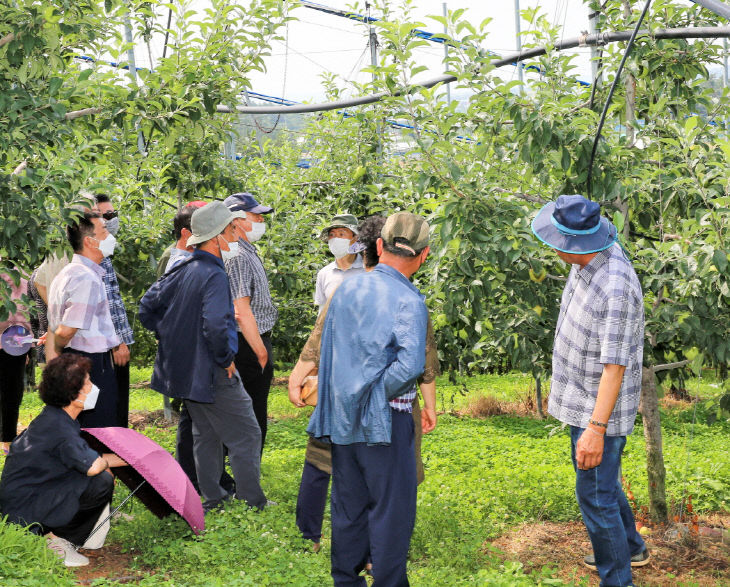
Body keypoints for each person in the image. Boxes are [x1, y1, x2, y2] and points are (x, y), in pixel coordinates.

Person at [288, 215, 438, 553]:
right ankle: (374, 553)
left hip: (341, 396)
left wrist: (298, 377)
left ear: (371, 248)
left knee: (325, 462)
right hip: (389, 402)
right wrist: (429, 405)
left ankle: (312, 535)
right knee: (390, 479)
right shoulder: (407, 299)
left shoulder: (347, 290)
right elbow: (423, 359)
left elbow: (318, 338)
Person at [531, 194, 649, 586]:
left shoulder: (615, 286)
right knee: (604, 484)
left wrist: (596, 430)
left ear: (574, 245)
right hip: (579, 396)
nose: (552, 247)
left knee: (596, 498)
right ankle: (631, 545)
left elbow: (614, 367)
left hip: (598, 411)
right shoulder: (586, 262)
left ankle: (618, 579)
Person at [139, 201, 268, 512]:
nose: (237, 236)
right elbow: (214, 325)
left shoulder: (183, 267)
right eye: (232, 230)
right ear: (216, 236)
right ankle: (253, 501)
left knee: (205, 433)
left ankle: (213, 497)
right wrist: (225, 358)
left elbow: (147, 308)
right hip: (211, 369)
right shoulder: (213, 275)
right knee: (247, 434)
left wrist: (175, 337)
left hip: (185, 371)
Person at [0, 354, 127, 567]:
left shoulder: (55, 418)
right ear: (73, 393)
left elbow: (88, 459)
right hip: (25, 510)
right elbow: (94, 466)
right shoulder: (60, 429)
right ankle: (55, 539)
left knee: (98, 474)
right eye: (87, 382)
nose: (93, 387)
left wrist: (131, 459)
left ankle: (63, 531)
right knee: (101, 481)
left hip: (24, 499)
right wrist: (108, 464)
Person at [46, 209, 120, 428]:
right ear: (90, 241)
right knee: (98, 432)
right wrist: (58, 349)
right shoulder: (86, 278)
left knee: (80, 429)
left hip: (77, 360)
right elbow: (67, 330)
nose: (110, 237)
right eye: (104, 232)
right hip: (89, 365)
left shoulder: (68, 272)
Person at [222, 192, 277, 452]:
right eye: (256, 216)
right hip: (247, 343)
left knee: (254, 408)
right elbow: (241, 309)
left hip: (252, 338)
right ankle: (246, 467)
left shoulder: (246, 250)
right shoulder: (238, 257)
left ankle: (246, 465)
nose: (260, 221)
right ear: (238, 220)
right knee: (250, 411)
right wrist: (260, 350)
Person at [93, 195, 134, 428]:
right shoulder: (95, 258)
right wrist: (118, 343)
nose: (111, 220)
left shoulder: (104, 255)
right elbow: (106, 304)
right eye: (105, 215)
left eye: (113, 214)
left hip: (113, 344)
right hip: (109, 347)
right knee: (111, 408)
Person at [0, 271, 31, 454]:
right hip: (13, 340)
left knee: (11, 391)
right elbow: (22, 313)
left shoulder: (19, 275)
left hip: (13, 342)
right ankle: (7, 440)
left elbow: (23, 312)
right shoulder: (19, 274)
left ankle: (8, 439)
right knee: (11, 392)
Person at [313, 214, 365, 312]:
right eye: (332, 235)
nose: (335, 239)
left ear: (355, 238)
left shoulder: (369, 270)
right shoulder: (324, 274)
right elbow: (322, 313)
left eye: (341, 234)